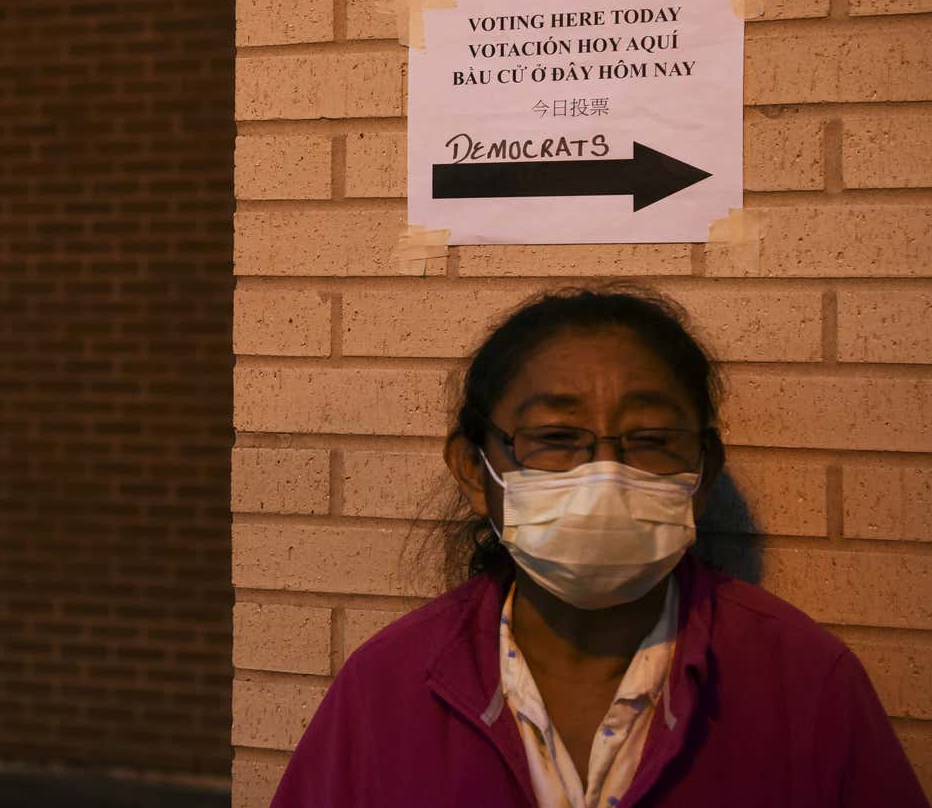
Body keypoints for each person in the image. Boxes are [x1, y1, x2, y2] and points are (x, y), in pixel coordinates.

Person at [270, 285, 927, 808]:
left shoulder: (802, 682)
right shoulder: (390, 686)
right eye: (556, 438)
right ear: (475, 471)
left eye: (650, 439)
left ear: (702, 472)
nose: (604, 474)